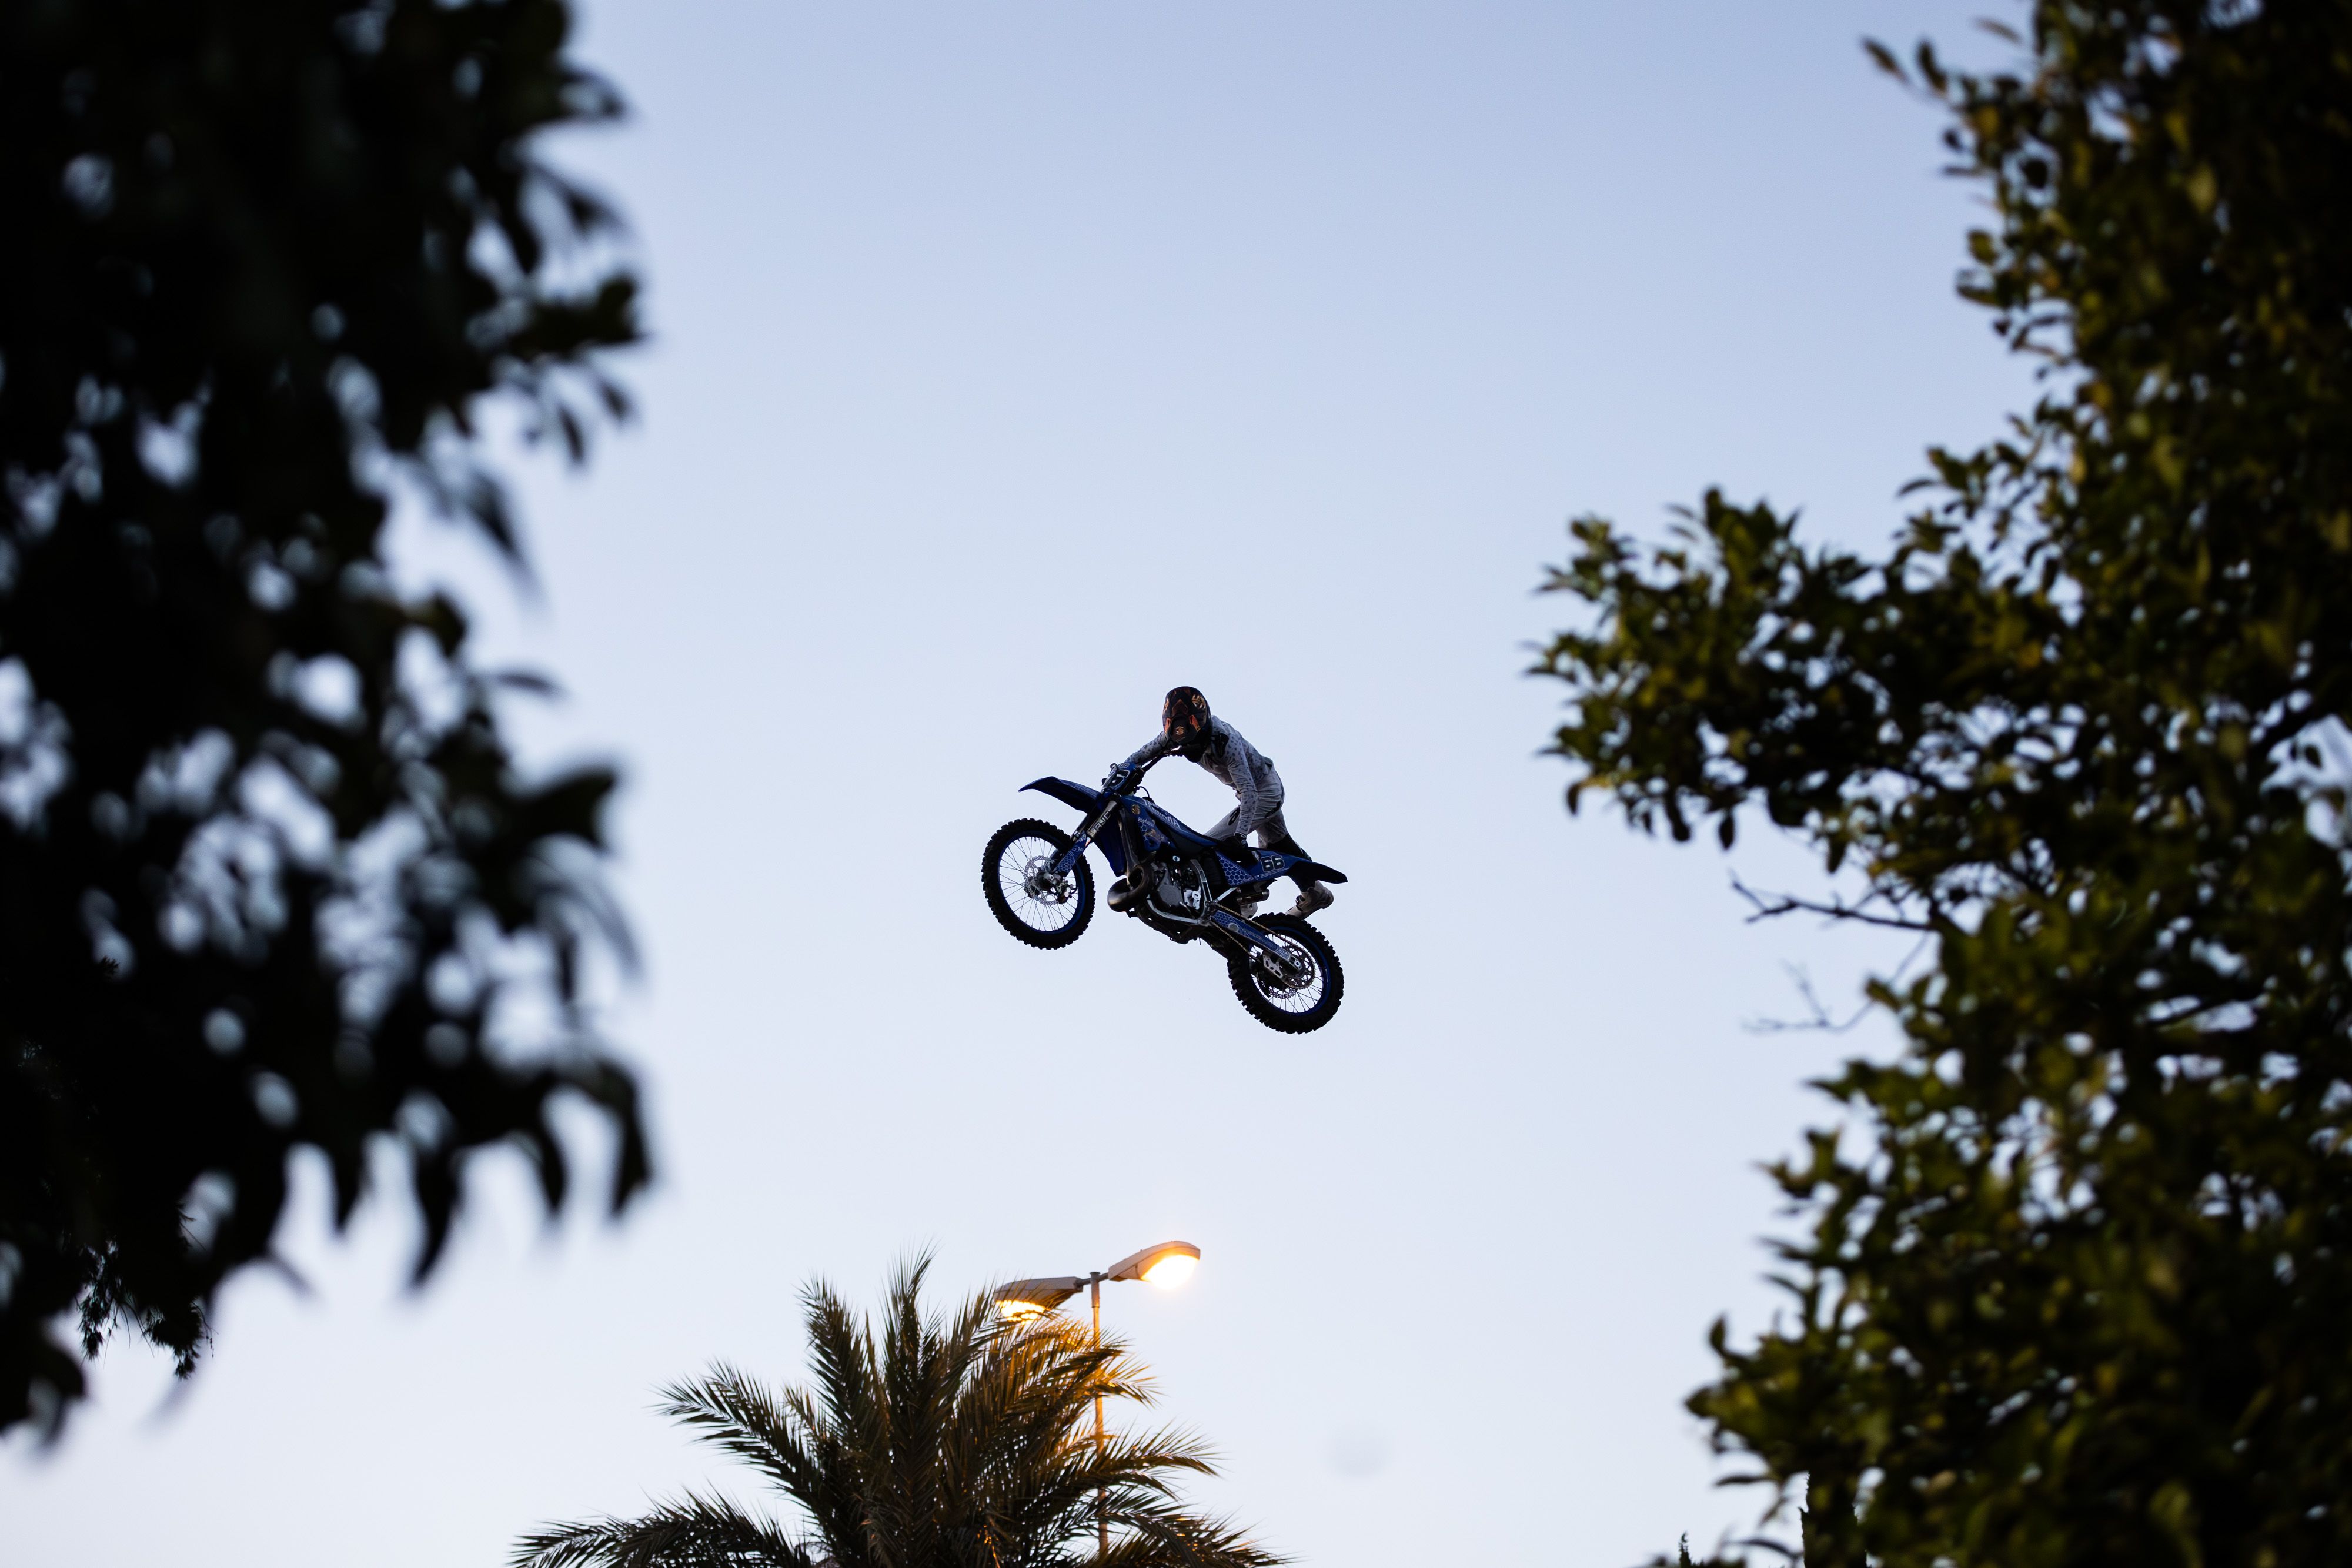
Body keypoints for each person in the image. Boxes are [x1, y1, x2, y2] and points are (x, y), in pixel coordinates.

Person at [1111, 686, 1334, 918]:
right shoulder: (1171, 737)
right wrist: (1119, 776)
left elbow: (1250, 792)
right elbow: (1140, 756)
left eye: (1194, 738)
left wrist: (1239, 837)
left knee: (1209, 848)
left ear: (1202, 723)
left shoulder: (1225, 741)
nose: (1188, 746)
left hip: (1264, 791)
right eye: (1182, 740)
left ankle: (1245, 900)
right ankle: (1315, 892)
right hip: (1252, 790)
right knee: (1277, 843)